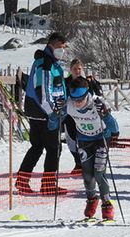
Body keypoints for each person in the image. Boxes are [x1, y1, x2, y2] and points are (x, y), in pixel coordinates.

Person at [50, 77, 119, 221]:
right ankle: (91, 200)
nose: (77, 103)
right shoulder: (68, 104)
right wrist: (55, 113)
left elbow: (114, 127)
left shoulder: (97, 102)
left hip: (101, 138)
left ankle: (107, 205)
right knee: (87, 176)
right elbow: (51, 126)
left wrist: (105, 114)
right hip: (84, 140)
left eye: (80, 99)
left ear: (87, 94)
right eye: (74, 99)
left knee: (99, 173)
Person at [17, 33, 69, 196]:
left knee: (37, 146)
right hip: (43, 111)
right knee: (54, 148)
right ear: (52, 45)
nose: (62, 51)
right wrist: (52, 112)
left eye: (64, 48)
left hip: (36, 110)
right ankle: (48, 185)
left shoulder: (49, 62)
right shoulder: (46, 63)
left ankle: (22, 180)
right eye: (60, 47)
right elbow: (43, 92)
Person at [64, 59, 104, 173]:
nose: (77, 71)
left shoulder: (86, 81)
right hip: (70, 115)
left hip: (86, 115)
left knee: (84, 139)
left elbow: (97, 95)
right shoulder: (65, 82)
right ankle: (77, 162)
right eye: (75, 69)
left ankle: (88, 161)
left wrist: (95, 84)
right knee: (71, 140)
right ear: (70, 70)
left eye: (79, 69)